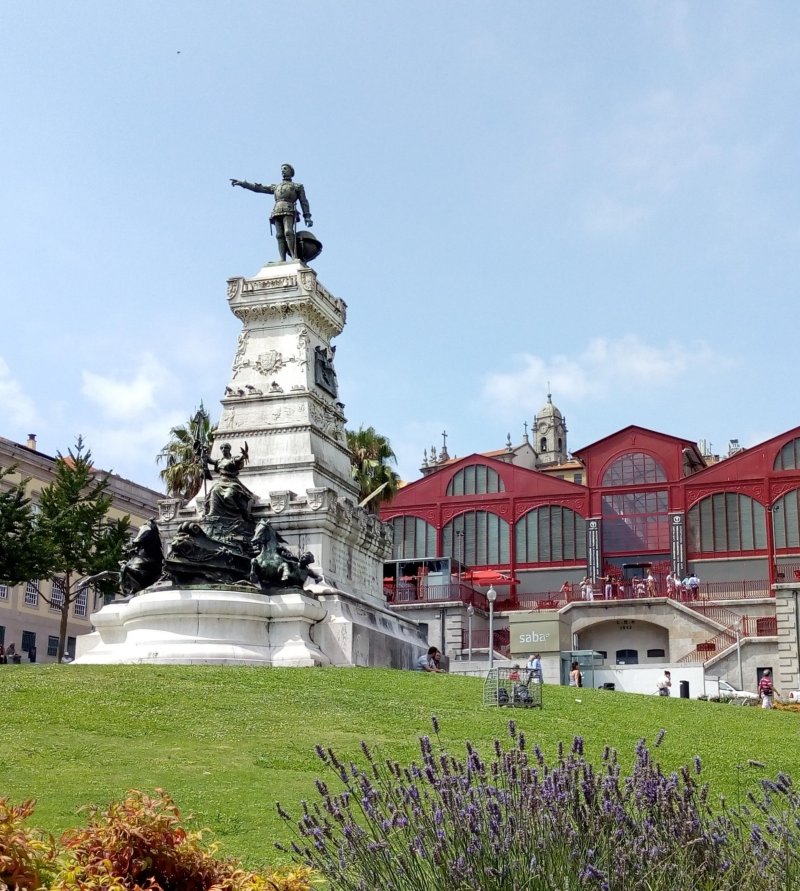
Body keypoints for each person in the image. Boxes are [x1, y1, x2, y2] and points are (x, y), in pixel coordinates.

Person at [230, 164, 313, 262]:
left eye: (285, 169)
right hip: (277, 210)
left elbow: (304, 201)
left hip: (289, 209)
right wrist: (243, 184)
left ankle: (294, 256)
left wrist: (307, 216)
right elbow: (259, 188)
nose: (283, 171)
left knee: (288, 232)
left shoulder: (297, 186)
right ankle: (282, 259)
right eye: (282, 169)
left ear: (291, 172)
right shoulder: (276, 186)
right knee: (279, 235)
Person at [204, 442, 255, 522]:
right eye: (222, 448)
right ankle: (212, 513)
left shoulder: (233, 459)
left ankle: (236, 514)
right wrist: (203, 454)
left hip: (232, 482)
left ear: (229, 449)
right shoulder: (219, 461)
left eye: (226, 448)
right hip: (221, 482)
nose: (224, 450)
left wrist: (243, 456)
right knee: (214, 491)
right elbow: (210, 461)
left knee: (227, 496)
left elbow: (238, 460)